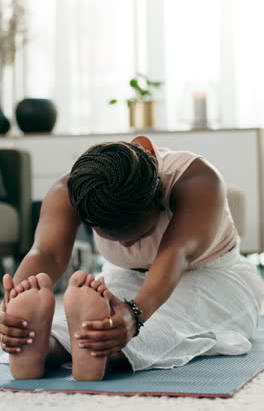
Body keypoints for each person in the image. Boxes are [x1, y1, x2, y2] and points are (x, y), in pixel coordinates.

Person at [0, 135, 263, 381]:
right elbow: (47, 253)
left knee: (164, 324)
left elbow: (176, 253)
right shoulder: (78, 190)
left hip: (212, 276)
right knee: (97, 326)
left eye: (140, 234)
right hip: (125, 277)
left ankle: (94, 352)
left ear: (159, 198)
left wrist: (135, 315)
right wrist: (14, 310)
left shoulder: (197, 179)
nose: (126, 244)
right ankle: (42, 346)